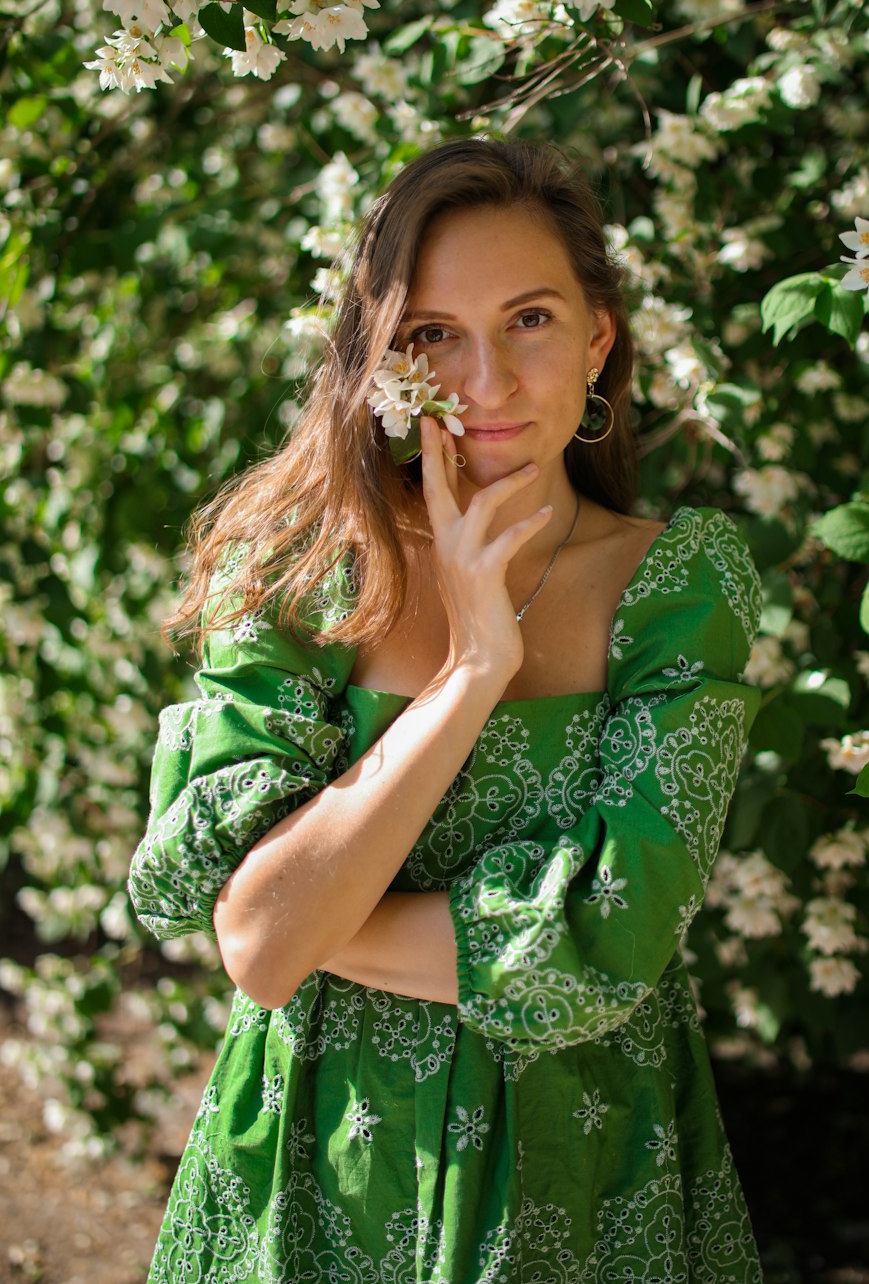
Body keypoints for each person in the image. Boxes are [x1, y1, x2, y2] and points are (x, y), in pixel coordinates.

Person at [128, 137, 764, 1282]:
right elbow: (253, 941)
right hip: (316, 1163)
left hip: (576, 1168)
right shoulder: (295, 574)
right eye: (434, 335)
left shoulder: (678, 588)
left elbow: (609, 940)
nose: (486, 383)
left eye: (529, 319)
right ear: (382, 357)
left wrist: (305, 912)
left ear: (598, 336)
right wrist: (473, 667)